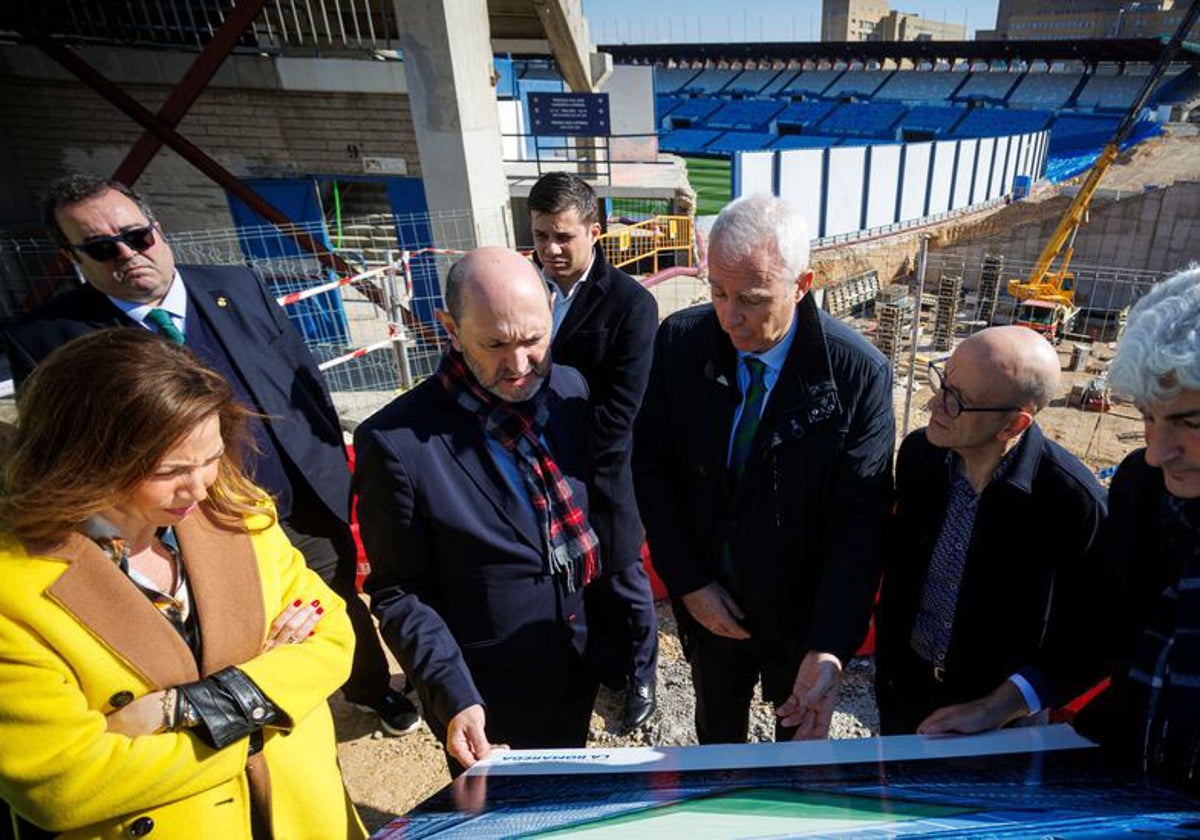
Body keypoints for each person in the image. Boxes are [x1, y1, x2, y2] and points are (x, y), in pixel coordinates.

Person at [2, 174, 418, 736]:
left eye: (136, 236)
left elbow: (305, 383)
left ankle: (368, 690)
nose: (127, 255)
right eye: (102, 249)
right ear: (74, 258)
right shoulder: (50, 337)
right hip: (182, 529)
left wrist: (327, 467)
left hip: (298, 504)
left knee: (332, 605)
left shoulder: (236, 284)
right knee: (225, 629)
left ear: (158, 228)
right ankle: (252, 721)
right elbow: (64, 449)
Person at [0, 329, 364, 839]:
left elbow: (331, 637)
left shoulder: (239, 513)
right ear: (84, 460)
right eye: (171, 470)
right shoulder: (14, 592)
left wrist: (186, 709)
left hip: (305, 817)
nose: (202, 486)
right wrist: (269, 703)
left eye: (212, 457)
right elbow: (62, 784)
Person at [633, 195, 894, 744]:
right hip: (712, 605)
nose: (730, 317)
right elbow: (653, 468)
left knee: (794, 751)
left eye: (751, 299)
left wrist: (828, 644)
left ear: (803, 284)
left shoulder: (855, 377)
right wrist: (689, 583)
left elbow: (860, 523)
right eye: (718, 292)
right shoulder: (682, 342)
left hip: (800, 619)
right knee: (717, 736)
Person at [354, 246, 599, 771]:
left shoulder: (569, 390)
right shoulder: (398, 443)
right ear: (450, 328)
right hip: (488, 698)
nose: (519, 365)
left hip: (576, 662)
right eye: (494, 344)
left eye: (534, 339)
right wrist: (454, 695)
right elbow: (399, 592)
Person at [875, 326, 1108, 735]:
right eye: (942, 383)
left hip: (1000, 726)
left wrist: (998, 707)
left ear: (1013, 426)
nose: (933, 403)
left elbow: (1095, 636)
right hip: (903, 696)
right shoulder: (919, 458)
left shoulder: (1072, 502)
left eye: (956, 401)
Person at [528, 172, 660, 732]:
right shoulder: (526, 290)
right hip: (536, 473)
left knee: (624, 579)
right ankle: (601, 666)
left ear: (596, 232)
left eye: (564, 237)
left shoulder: (631, 306)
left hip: (602, 474)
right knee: (576, 583)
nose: (551, 250)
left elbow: (617, 414)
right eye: (540, 236)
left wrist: (561, 458)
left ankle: (641, 677)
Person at [1074, 266, 1200, 795]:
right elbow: (1107, 629)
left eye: (1190, 423)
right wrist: (1012, 698)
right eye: (1149, 416)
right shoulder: (1141, 487)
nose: (1156, 449)